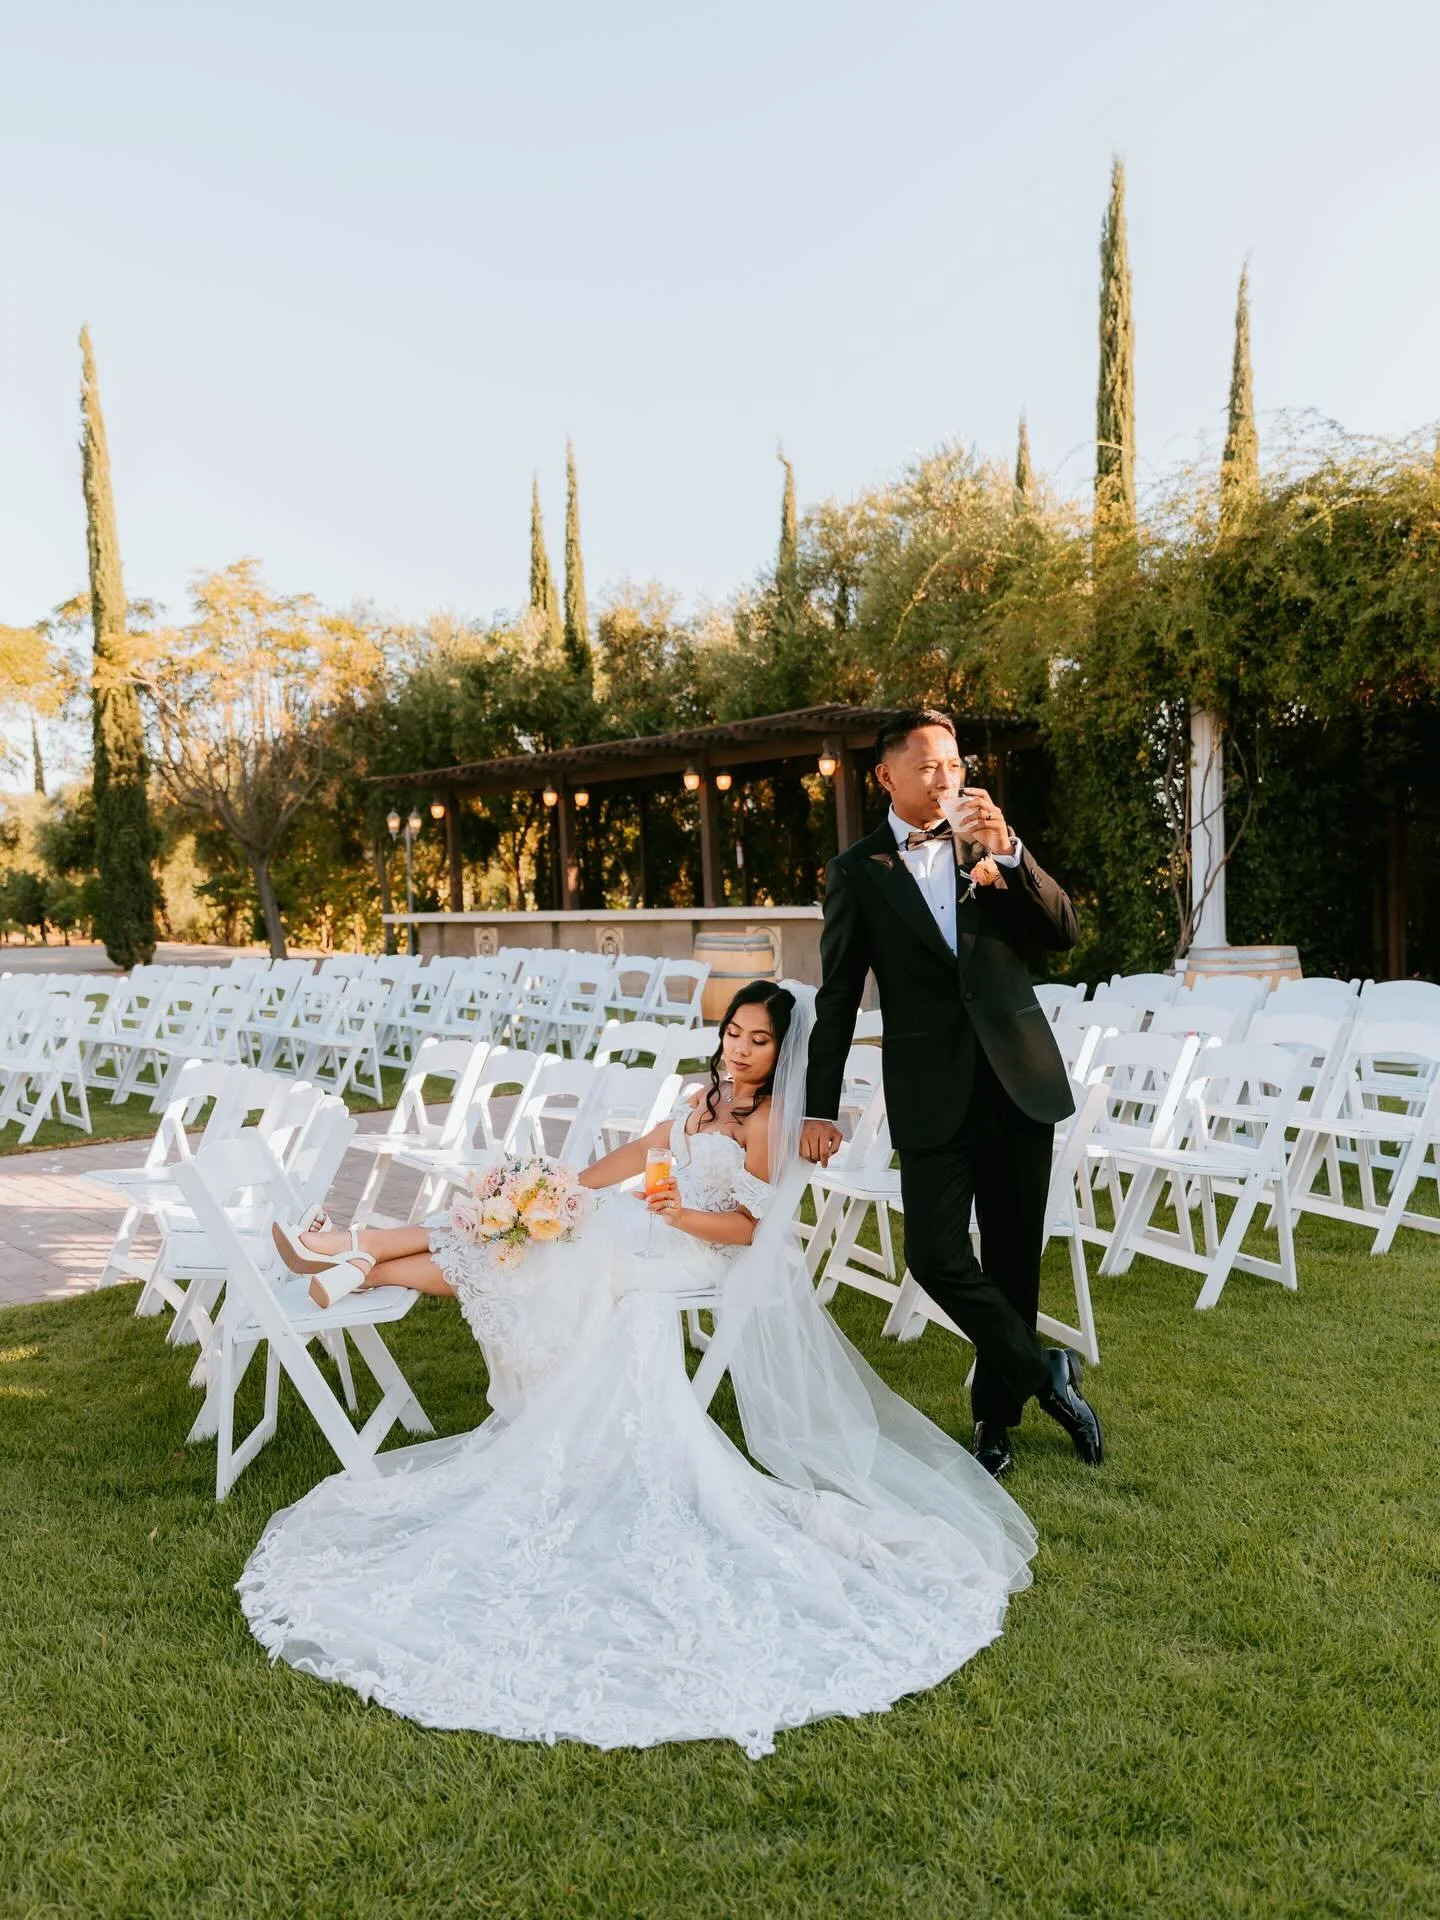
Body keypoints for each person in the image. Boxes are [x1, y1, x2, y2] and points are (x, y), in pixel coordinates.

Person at [240, 980, 1037, 1759]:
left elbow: (748, 1230)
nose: (742, 1049)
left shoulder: (764, 1124)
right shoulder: (705, 1098)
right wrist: (558, 1186)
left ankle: (355, 1254)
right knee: (519, 1226)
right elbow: (643, 1152)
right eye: (735, 1033)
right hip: (641, 1226)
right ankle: (355, 1256)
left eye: (760, 1041)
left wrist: (673, 1215)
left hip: (685, 1249)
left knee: (531, 1255)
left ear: (781, 1052)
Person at [800, 709, 1103, 1480]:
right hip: (929, 1089)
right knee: (935, 1255)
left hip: (1017, 1081)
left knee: (1012, 1261)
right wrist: (818, 1106)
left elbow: (1065, 933)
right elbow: (838, 998)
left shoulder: (990, 844)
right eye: (930, 764)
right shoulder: (855, 872)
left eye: (955, 763)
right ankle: (1047, 1374)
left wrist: (1009, 852)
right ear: (887, 776)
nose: (948, 777)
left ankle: (994, 1424)